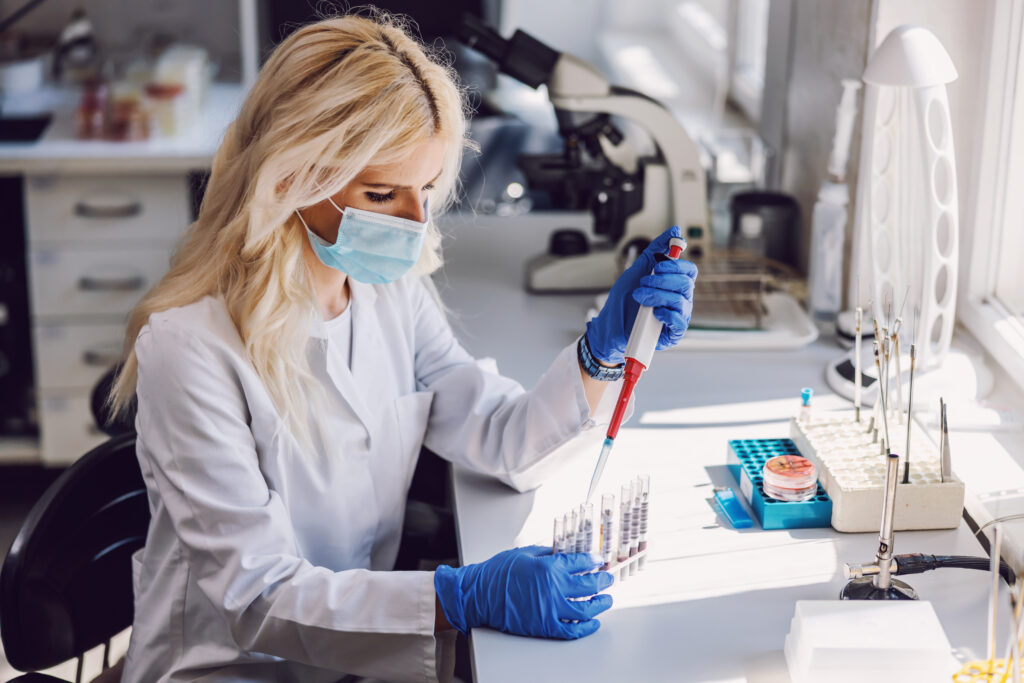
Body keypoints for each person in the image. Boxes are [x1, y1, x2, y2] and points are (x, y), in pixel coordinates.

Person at [108, 11, 697, 683]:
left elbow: (502, 436)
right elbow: (258, 596)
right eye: (382, 194)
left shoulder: (385, 290)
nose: (415, 225)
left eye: (424, 191)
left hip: (351, 650)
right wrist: (459, 595)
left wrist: (603, 350)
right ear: (291, 174)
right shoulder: (190, 347)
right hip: (234, 669)